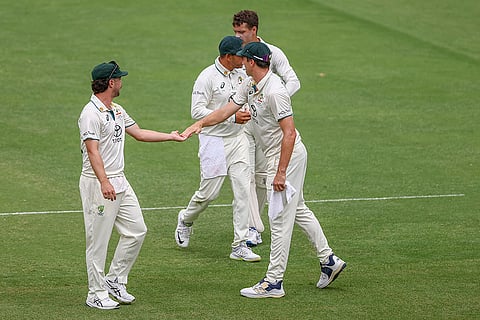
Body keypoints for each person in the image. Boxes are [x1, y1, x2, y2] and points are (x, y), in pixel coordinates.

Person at [181, 42, 346, 298]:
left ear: (252, 62)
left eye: (245, 60)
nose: (241, 63)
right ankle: (329, 260)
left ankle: (273, 282)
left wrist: (280, 172)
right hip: (276, 157)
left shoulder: (275, 91)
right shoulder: (249, 84)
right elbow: (226, 110)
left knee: (279, 219)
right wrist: (199, 125)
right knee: (298, 209)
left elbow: (289, 133)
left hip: (285, 157)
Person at [78, 60, 187, 309]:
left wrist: (170, 137)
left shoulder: (116, 109)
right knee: (98, 241)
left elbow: (138, 133)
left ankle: (115, 279)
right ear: (111, 82)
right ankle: (95, 293)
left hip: (120, 180)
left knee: (137, 230)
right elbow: (93, 152)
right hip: (98, 184)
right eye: (120, 79)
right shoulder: (90, 114)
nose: (122, 83)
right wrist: (104, 181)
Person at [174, 36, 261, 262]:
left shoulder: (242, 74)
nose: (244, 59)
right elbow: (197, 112)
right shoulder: (206, 78)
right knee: (208, 194)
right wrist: (232, 119)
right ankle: (185, 219)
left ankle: (239, 244)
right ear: (227, 56)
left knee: (243, 191)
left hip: (238, 140)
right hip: (213, 141)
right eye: (239, 56)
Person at [232, 9, 301, 247]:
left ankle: (254, 225)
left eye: (242, 32)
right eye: (235, 32)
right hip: (245, 125)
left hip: (266, 125)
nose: (238, 36)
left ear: (254, 30)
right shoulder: (236, 52)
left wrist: (271, 103)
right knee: (245, 174)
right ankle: (252, 227)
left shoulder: (273, 53)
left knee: (262, 177)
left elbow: (293, 80)